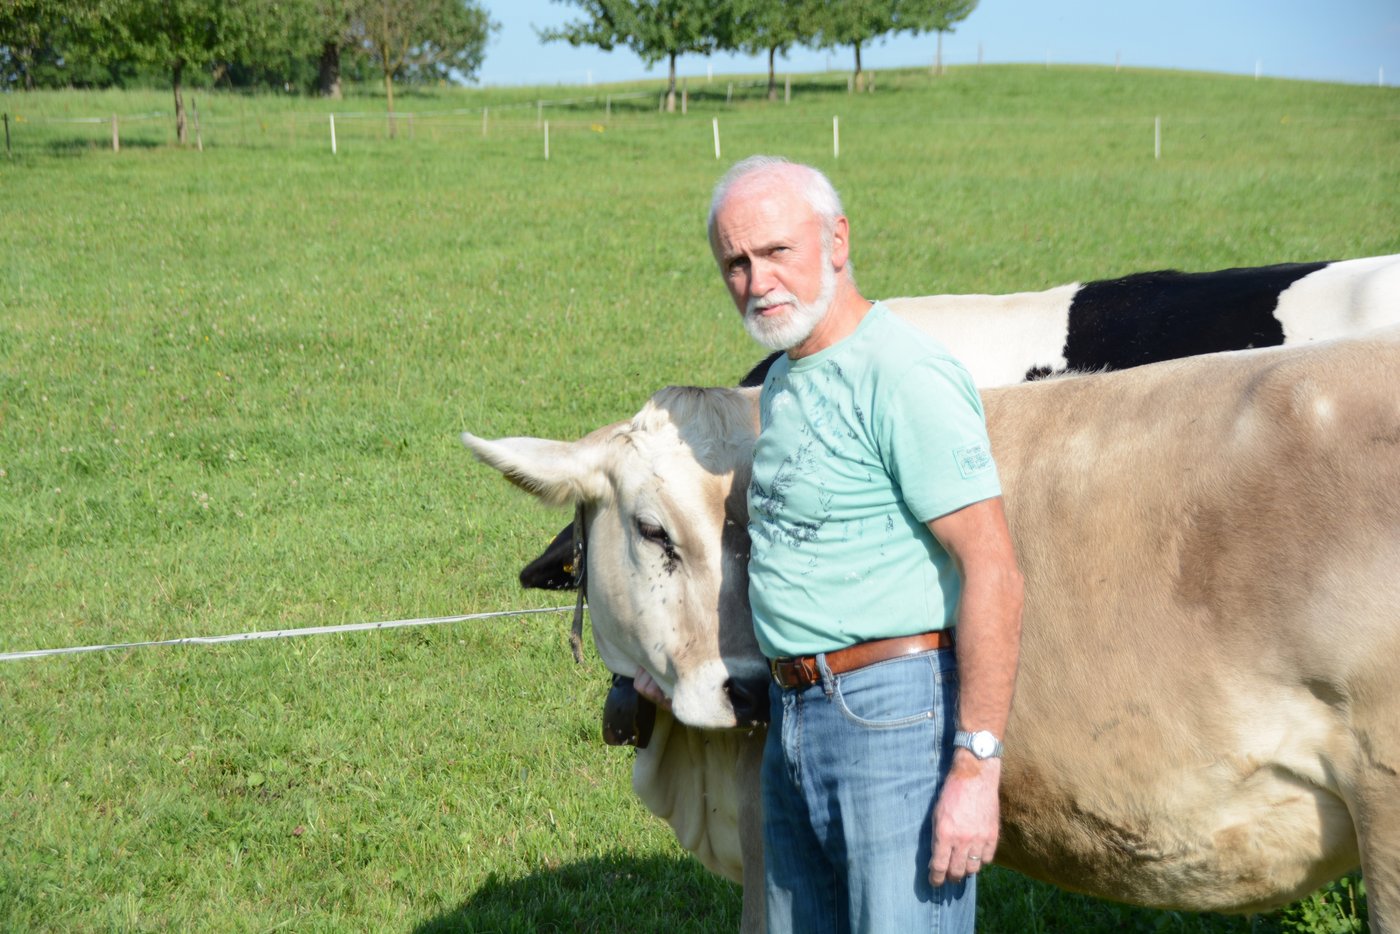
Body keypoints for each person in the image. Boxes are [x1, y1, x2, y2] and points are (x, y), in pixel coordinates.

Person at [706, 154, 1024, 933]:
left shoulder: (903, 372)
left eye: (777, 251)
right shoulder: (784, 379)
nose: (757, 280)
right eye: (736, 263)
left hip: (893, 718)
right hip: (793, 717)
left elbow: (994, 569)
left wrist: (977, 764)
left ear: (837, 239)